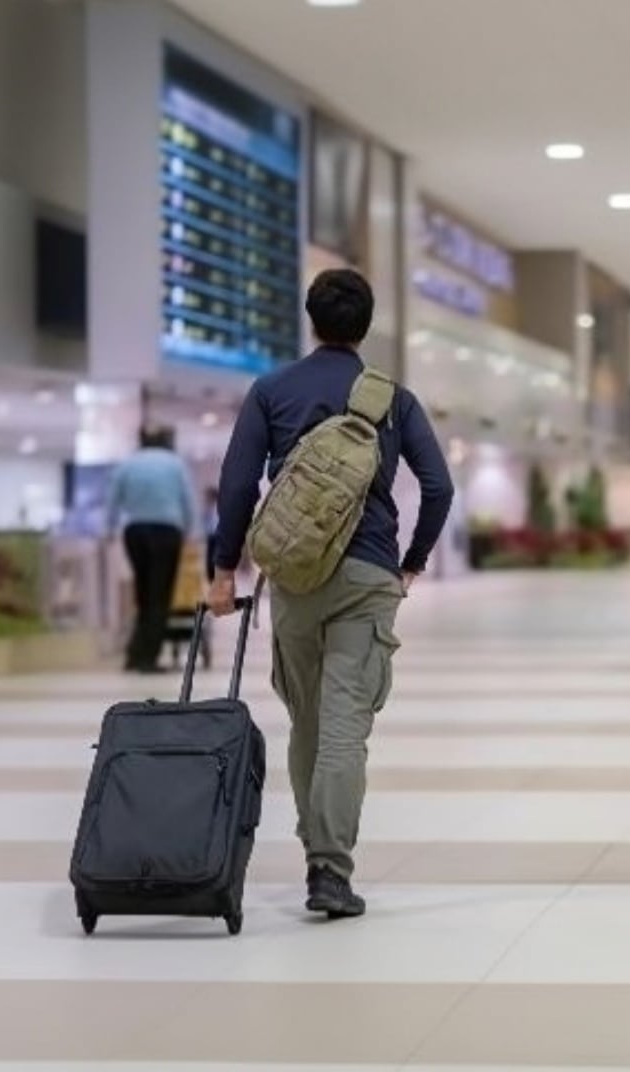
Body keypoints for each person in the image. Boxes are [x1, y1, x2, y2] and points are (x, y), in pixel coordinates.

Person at [207, 268, 454, 920]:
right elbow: (439, 488)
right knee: (347, 729)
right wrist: (412, 563)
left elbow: (236, 487)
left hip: (294, 577)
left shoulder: (271, 391)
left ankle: (315, 851)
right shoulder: (392, 399)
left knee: (308, 724)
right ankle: (329, 872)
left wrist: (223, 569)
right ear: (366, 324)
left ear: (311, 319)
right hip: (369, 577)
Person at [108, 425, 197, 674]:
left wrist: (108, 529)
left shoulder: (128, 464)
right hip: (167, 532)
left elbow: (112, 499)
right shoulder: (175, 464)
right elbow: (188, 500)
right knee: (160, 597)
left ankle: (134, 655)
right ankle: (148, 658)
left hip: (134, 531)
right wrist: (193, 533)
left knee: (143, 594)